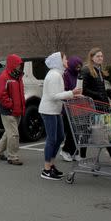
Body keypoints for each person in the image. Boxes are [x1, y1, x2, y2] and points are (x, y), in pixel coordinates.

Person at [39, 52, 82, 180]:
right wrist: (71, 93)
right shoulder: (54, 75)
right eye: (64, 58)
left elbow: (59, 94)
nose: (67, 60)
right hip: (48, 110)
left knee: (60, 137)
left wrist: (73, 95)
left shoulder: (58, 74)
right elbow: (53, 95)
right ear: (58, 60)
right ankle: (46, 169)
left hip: (55, 110)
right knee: (52, 139)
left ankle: (51, 165)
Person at [79, 48, 111, 163]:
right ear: (92, 57)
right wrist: (98, 96)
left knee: (108, 132)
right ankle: (82, 156)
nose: (100, 58)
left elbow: (102, 89)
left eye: (101, 56)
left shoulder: (99, 70)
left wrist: (107, 99)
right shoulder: (86, 70)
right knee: (87, 131)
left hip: (103, 106)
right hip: (93, 107)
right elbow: (84, 90)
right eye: (98, 56)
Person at [0, 54, 25, 165]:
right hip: (8, 111)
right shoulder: (4, 77)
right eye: (18, 65)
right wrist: (11, 105)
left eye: (20, 65)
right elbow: (1, 95)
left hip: (17, 109)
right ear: (12, 64)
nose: (19, 67)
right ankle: (12, 157)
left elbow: (21, 93)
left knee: (10, 132)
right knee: (14, 134)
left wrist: (20, 106)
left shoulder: (18, 76)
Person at [59, 56, 84, 161]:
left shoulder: (78, 75)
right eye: (76, 67)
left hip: (76, 106)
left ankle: (74, 151)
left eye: (80, 67)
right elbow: (64, 90)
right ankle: (65, 150)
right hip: (68, 106)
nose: (78, 69)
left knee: (76, 130)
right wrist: (73, 94)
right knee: (71, 130)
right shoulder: (66, 75)